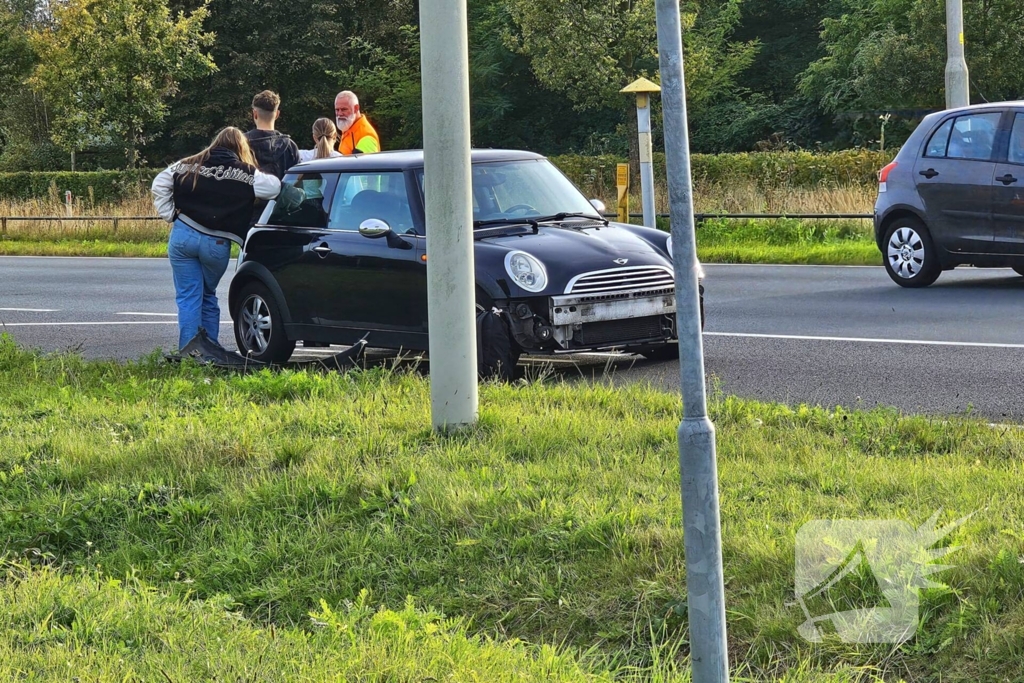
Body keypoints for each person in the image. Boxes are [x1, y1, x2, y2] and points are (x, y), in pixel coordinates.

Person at [151, 127, 282, 351]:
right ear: (240, 148)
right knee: (208, 295)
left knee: (188, 296)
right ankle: (209, 350)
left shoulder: (189, 163)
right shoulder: (245, 172)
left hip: (183, 235)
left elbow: (159, 183)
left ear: (215, 143)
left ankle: (189, 352)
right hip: (217, 242)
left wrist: (170, 214)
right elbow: (274, 187)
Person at [245, 90, 300, 178]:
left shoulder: (241, 143)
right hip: (281, 191)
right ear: (277, 114)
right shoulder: (290, 146)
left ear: (255, 114)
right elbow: (296, 180)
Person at [334, 90, 380, 155]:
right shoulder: (348, 127)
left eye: (344, 109)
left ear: (356, 108)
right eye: (337, 110)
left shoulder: (367, 136)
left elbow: (361, 163)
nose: (339, 114)